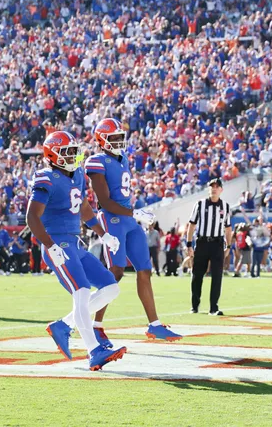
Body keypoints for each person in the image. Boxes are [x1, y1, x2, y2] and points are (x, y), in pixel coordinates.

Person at [27, 131, 125, 370]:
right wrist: (50, 246)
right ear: (52, 155)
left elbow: (83, 207)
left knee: (111, 287)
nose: (72, 155)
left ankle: (63, 325)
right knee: (81, 292)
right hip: (57, 243)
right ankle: (94, 351)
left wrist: (104, 234)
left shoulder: (78, 174)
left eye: (73, 150)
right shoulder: (46, 178)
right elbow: (32, 217)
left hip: (75, 242)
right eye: (66, 152)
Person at [86, 118, 181, 344]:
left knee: (145, 270)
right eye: (114, 138)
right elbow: (105, 202)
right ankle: (95, 325)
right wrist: (135, 213)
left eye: (121, 137)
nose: (119, 141)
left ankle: (154, 325)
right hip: (112, 219)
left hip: (128, 219)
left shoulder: (123, 158)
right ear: (101, 140)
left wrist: (132, 214)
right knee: (116, 271)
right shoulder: (96, 161)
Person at [186, 178, 232, 315]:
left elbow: (228, 229)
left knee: (217, 275)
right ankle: (195, 305)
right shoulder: (200, 205)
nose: (214, 189)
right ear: (208, 189)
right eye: (212, 186)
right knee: (197, 275)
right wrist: (189, 244)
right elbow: (192, 225)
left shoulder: (225, 206)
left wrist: (228, 246)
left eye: (217, 186)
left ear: (221, 190)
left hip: (217, 243)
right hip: (202, 242)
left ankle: (214, 307)